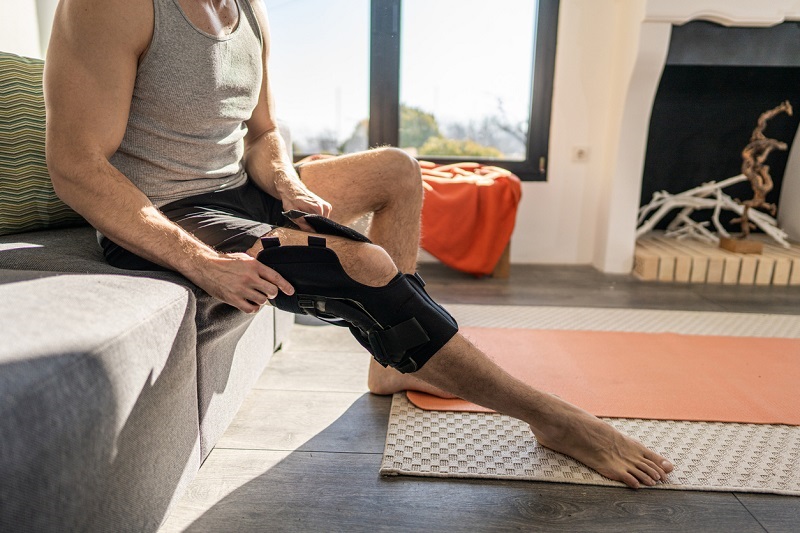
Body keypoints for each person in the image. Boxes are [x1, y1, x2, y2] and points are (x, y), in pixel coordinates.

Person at [44, 0, 674, 489]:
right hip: (171, 211)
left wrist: (286, 181)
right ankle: (550, 417)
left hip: (241, 188)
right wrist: (203, 262)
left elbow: (262, 131)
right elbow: (74, 163)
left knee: (397, 168)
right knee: (365, 264)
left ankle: (394, 364)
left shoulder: (247, 11)